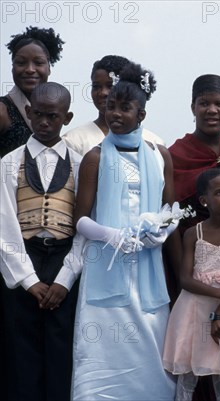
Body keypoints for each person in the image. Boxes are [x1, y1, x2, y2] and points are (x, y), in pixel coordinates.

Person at [71, 62, 177, 400]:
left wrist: (161, 230)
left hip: (147, 267)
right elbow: (80, 218)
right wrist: (111, 235)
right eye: (110, 106)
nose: (114, 113)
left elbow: (170, 209)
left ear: (141, 114)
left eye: (124, 107)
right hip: (105, 264)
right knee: (102, 351)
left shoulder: (161, 156)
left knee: (149, 348)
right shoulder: (95, 157)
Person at [0, 82, 80, 401]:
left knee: (62, 352)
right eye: (39, 115)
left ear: (67, 117)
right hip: (22, 260)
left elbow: (86, 225)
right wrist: (29, 280)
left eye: (53, 116)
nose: (45, 122)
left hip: (65, 261)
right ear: (29, 113)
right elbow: (4, 226)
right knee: (20, 353)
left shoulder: (82, 162)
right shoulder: (8, 163)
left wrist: (66, 277)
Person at [163, 168, 220, 401]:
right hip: (193, 310)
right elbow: (185, 279)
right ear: (204, 200)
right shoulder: (193, 233)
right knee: (188, 375)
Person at [169, 74, 220, 229]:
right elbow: (169, 213)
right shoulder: (175, 155)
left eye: (219, 104)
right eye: (204, 103)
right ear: (193, 108)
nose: (212, 110)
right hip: (188, 246)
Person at [62, 54, 164, 156]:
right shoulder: (74, 141)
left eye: (110, 86)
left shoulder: (154, 143)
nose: (103, 93)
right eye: (96, 86)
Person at [0, 27, 64, 158]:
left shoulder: (56, 109)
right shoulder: (2, 111)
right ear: (12, 68)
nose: (30, 69)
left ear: (49, 68)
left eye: (38, 63)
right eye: (21, 63)